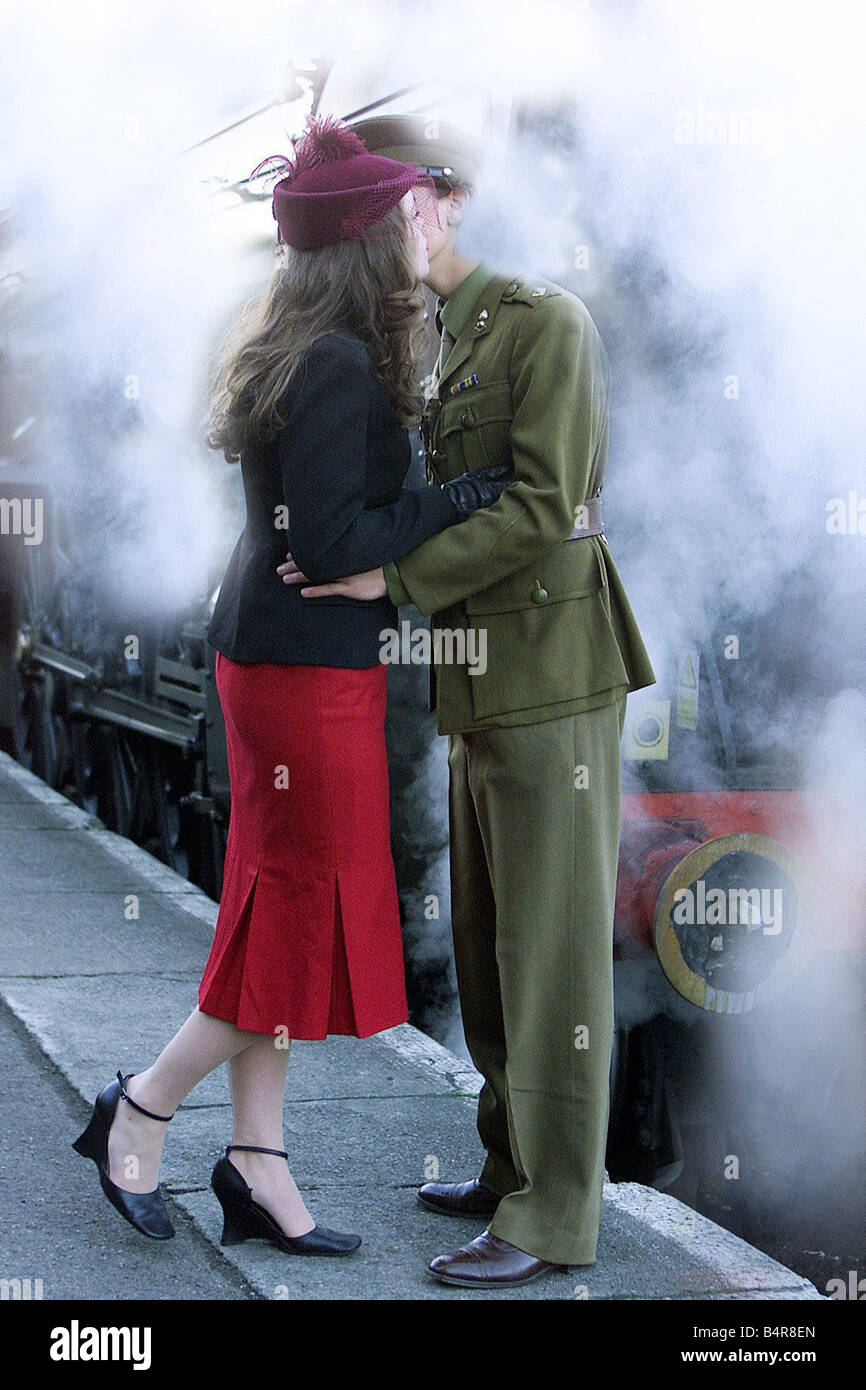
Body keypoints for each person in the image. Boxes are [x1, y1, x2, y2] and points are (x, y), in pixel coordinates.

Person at [71, 115, 511, 1258]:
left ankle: (257, 1160)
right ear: (367, 241)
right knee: (297, 909)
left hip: (289, 665)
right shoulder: (335, 361)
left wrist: (384, 536)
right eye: (407, 214)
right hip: (300, 675)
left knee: (277, 905)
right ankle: (145, 1107)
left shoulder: (306, 340)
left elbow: (320, 536)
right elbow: (327, 541)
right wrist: (461, 501)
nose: (425, 230)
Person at [277, 114, 657, 1287]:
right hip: (476, 680)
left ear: (439, 202)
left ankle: (554, 1219)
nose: (394, 222)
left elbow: (544, 501)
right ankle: (508, 1167)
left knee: (550, 958)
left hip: (551, 677)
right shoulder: (428, 335)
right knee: (492, 945)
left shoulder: (547, 324)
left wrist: (386, 575)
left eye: (401, 201)